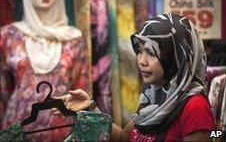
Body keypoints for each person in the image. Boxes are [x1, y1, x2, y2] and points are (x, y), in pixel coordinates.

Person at [55, 13, 215, 141]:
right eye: (140, 50)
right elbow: (124, 138)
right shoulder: (154, 97)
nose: (141, 61)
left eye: (151, 53)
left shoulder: (195, 108)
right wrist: (89, 108)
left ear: (176, 58)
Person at [0, 0, 90, 141]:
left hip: (63, 130)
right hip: (16, 129)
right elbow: (3, 91)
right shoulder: (8, 36)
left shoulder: (73, 39)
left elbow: (81, 90)